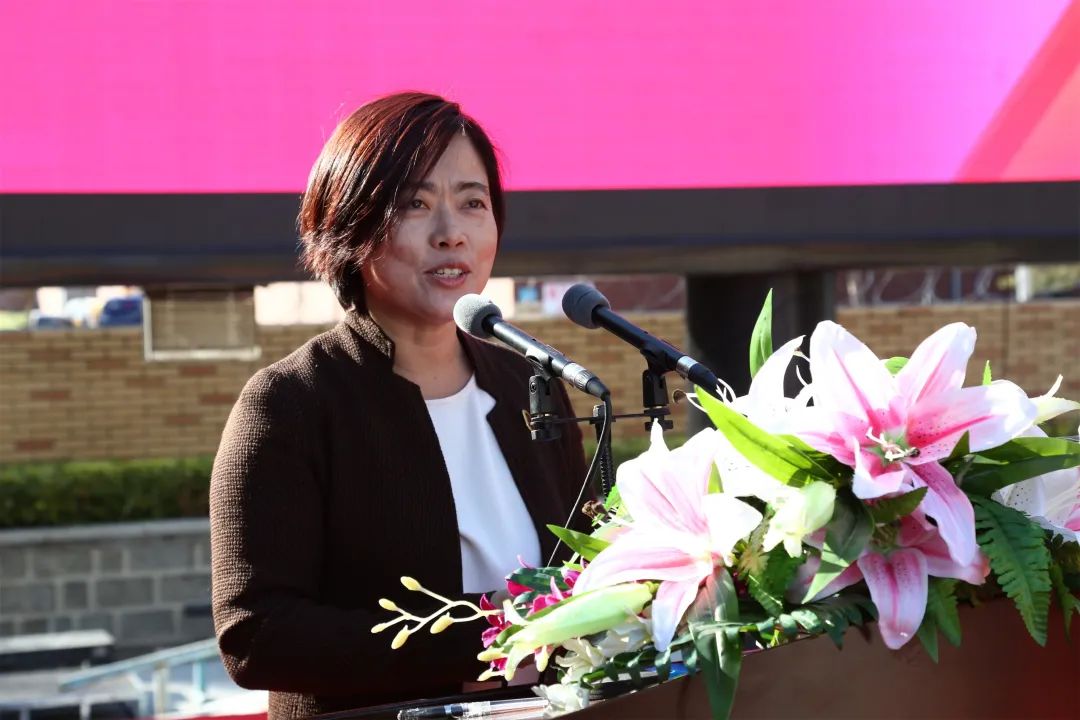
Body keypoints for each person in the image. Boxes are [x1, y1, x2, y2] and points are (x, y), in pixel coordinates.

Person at [210, 93, 589, 720]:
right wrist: (486, 639)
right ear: (350, 224)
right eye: (415, 204)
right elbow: (255, 634)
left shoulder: (531, 383)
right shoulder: (290, 403)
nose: (451, 233)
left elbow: (587, 565)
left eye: (473, 203)